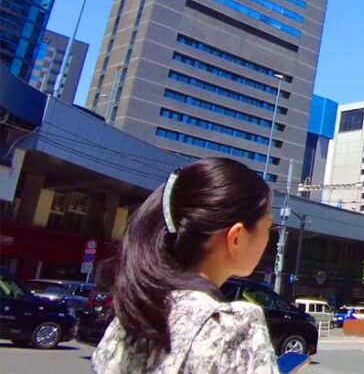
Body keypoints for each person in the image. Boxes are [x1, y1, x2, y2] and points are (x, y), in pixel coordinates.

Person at [92, 158, 280, 373]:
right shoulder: (233, 328)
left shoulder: (127, 323)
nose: (269, 238)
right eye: (268, 226)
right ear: (236, 237)